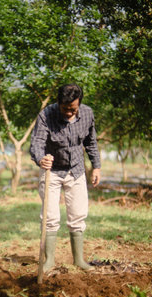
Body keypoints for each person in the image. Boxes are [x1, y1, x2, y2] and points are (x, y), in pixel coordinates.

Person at [30, 83, 101, 272]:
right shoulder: (46, 115)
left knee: (78, 215)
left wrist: (96, 167)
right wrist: (40, 158)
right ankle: (49, 260)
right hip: (51, 171)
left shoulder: (87, 114)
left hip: (76, 170)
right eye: (65, 108)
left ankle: (79, 260)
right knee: (50, 216)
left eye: (73, 109)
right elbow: (36, 143)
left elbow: (91, 142)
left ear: (79, 104)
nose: (69, 113)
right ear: (58, 103)